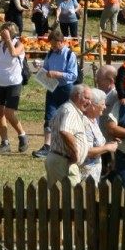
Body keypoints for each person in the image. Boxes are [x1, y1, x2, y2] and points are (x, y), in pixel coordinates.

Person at [32, 29, 79, 159]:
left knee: (66, 119)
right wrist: (40, 67)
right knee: (49, 117)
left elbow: (73, 76)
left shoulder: (70, 55)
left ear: (61, 41)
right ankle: (47, 146)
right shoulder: (51, 53)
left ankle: (69, 147)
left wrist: (57, 74)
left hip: (66, 89)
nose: (53, 47)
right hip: (52, 88)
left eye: (54, 45)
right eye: (51, 45)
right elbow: (46, 68)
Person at [43, 84, 93, 187]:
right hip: (62, 161)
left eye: (90, 100)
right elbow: (65, 131)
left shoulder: (67, 109)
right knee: (72, 197)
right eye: (86, 98)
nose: (89, 102)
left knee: (60, 197)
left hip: (60, 160)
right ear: (75, 96)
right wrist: (75, 153)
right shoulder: (70, 111)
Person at [0, 22, 29, 154]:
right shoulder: (0, 45)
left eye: (4, 32)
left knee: (9, 112)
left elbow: (14, 53)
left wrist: (8, 40)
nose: (1, 34)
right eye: (1, 32)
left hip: (13, 83)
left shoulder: (19, 44)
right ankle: (4, 142)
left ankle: (22, 135)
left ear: (11, 33)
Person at [81, 88, 117, 185]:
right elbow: (87, 151)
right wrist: (108, 148)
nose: (105, 107)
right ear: (93, 106)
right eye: (103, 104)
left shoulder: (94, 120)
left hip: (94, 173)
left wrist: (109, 145)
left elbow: (97, 144)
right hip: (85, 175)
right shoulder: (84, 122)